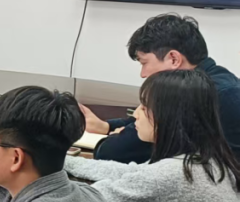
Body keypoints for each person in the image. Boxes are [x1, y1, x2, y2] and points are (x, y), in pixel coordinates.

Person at [66, 70, 240, 202]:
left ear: (170, 117)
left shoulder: (171, 175)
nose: (135, 114)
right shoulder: (207, 161)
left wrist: (40, 176)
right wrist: (64, 161)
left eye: (144, 107)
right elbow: (131, 172)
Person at [81, 13, 240, 164]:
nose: (143, 74)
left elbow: (110, 152)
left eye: (144, 63)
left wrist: (111, 139)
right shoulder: (218, 81)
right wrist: (108, 127)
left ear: (174, 59)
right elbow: (146, 120)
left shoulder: (206, 95)